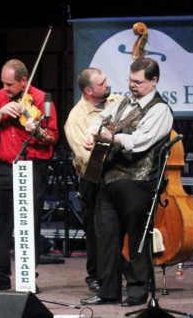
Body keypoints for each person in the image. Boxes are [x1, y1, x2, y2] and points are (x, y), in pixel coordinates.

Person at [80, 58, 173, 307]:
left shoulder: (159, 109)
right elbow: (100, 120)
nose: (132, 86)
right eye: (130, 80)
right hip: (109, 181)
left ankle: (137, 291)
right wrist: (91, 135)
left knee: (136, 241)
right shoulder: (120, 103)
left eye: (138, 82)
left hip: (138, 183)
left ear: (153, 81)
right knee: (106, 238)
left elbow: (140, 141)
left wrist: (113, 137)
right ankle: (108, 290)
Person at [0, 59, 58, 291]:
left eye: (10, 84)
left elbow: (53, 137)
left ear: (24, 81)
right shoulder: (1, 96)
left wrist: (37, 131)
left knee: (28, 223)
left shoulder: (41, 99)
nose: (5, 88)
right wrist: (1, 112)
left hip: (32, 166)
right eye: (3, 83)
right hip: (4, 166)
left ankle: (27, 277)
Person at [64, 67, 123, 292]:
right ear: (88, 91)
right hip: (94, 180)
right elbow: (88, 158)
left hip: (119, 176)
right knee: (97, 230)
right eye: (102, 84)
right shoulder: (76, 119)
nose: (107, 85)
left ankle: (121, 271)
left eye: (106, 80)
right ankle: (96, 275)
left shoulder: (116, 101)